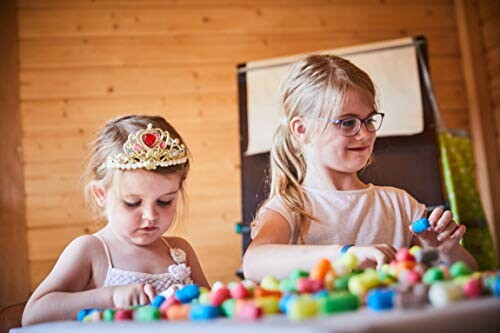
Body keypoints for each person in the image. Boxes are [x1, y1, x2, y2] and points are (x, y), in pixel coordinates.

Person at [243, 55, 477, 281]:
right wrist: (344, 255)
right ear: (301, 130)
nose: (365, 134)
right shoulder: (290, 208)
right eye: (348, 122)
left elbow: (468, 273)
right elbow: (253, 262)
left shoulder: (400, 205)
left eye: (369, 120)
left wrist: (448, 251)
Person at [22, 115, 209, 325]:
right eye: (132, 203)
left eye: (165, 202)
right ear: (101, 195)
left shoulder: (180, 252)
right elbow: (33, 314)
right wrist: (109, 297)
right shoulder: (91, 251)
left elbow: (211, 307)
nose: (150, 215)